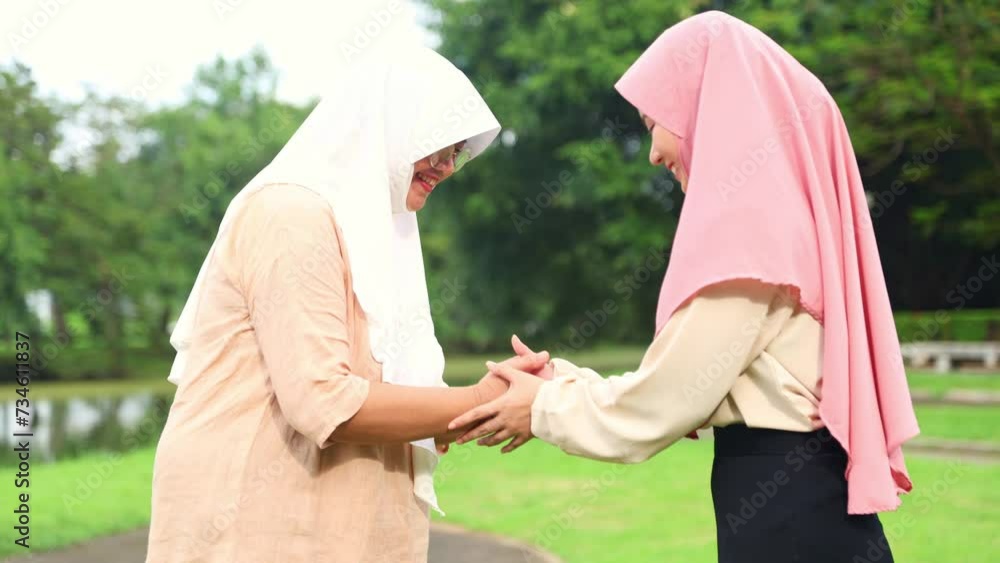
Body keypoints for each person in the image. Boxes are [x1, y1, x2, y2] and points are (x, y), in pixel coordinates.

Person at [449, 11, 919, 563]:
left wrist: (541, 406)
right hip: (808, 510)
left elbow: (660, 406)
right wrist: (562, 380)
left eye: (653, 123)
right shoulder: (786, 227)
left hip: (793, 521)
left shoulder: (748, 234)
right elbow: (687, 379)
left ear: (710, 108)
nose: (652, 152)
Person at [145, 46, 549, 563]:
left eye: (459, 151)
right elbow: (322, 402)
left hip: (336, 519)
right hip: (253, 518)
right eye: (438, 146)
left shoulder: (382, 233)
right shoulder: (292, 213)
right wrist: (479, 399)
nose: (448, 167)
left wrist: (502, 397)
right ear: (390, 125)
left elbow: (393, 396)